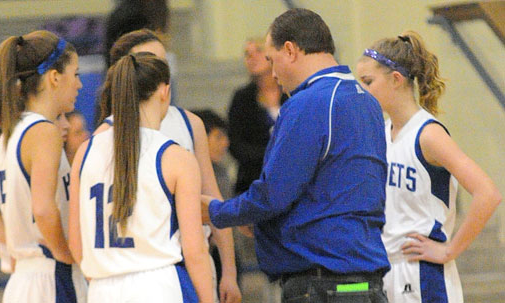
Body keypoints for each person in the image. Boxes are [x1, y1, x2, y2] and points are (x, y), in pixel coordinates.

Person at [202, 8, 390, 303]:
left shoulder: (308, 102)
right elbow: (335, 192)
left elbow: (273, 194)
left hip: (322, 285)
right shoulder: (367, 102)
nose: (274, 74)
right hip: (363, 283)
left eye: (272, 61)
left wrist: (216, 212)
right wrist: (266, 224)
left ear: (289, 50)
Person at [95, 29, 241, 303]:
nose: (159, 69)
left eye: (163, 61)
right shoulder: (105, 135)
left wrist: (229, 271)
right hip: (143, 264)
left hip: (191, 259)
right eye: (149, 60)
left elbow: (213, 201)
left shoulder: (190, 123)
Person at [356, 31, 502, 303]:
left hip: (423, 272)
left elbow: (488, 193)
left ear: (396, 80)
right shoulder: (380, 132)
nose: (362, 91)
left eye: (368, 82)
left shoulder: (428, 134)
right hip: (386, 267)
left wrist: (449, 250)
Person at [68, 53, 213, 303]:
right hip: (158, 287)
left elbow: (76, 242)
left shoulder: (85, 151)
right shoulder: (176, 157)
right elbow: (195, 250)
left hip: (102, 291)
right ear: (164, 92)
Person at [0, 30, 87, 302]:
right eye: (75, 74)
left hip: (25, 282)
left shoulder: (13, 134)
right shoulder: (44, 132)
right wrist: (65, 254)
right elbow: (43, 209)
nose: (79, 84)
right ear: (55, 78)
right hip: (52, 277)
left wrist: (21, 245)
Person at [228, 37, 286, 196]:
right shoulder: (242, 98)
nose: (252, 58)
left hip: (290, 179)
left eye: (259, 51)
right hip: (252, 182)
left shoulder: (291, 93)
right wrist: (271, 155)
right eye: (247, 54)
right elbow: (235, 144)